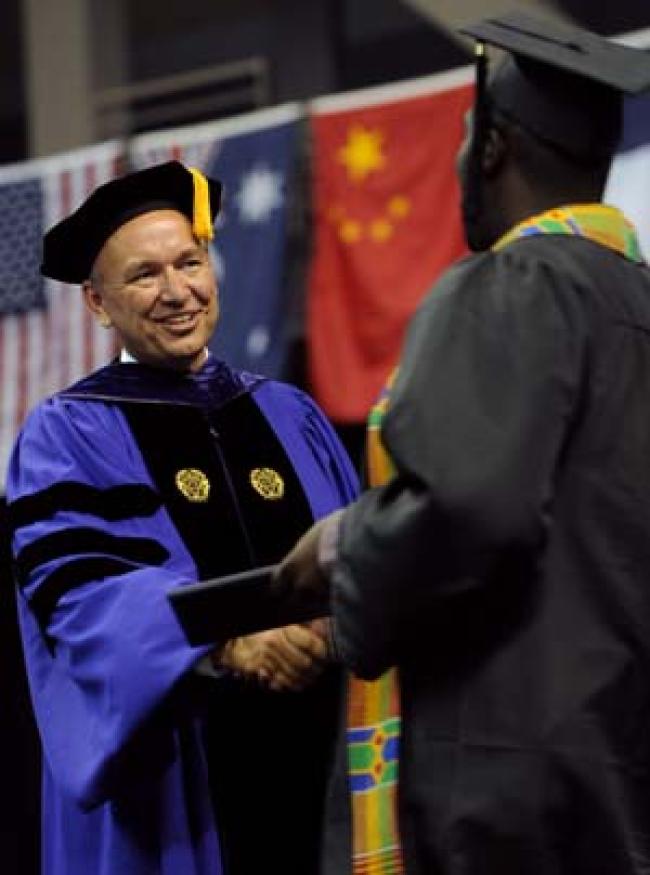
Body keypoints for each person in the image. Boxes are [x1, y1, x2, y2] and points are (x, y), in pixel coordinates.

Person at [275, 13, 650, 875]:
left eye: (459, 138)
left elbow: (466, 504)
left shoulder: (514, 283)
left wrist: (336, 548)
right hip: (618, 780)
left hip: (504, 791)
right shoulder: (634, 304)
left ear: (491, 148)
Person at [6, 160, 358, 875]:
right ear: (99, 304)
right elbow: (81, 593)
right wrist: (224, 643)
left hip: (325, 752)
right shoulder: (67, 433)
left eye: (189, 262)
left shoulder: (288, 412)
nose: (177, 292)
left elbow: (360, 548)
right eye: (144, 275)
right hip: (180, 771)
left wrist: (330, 628)